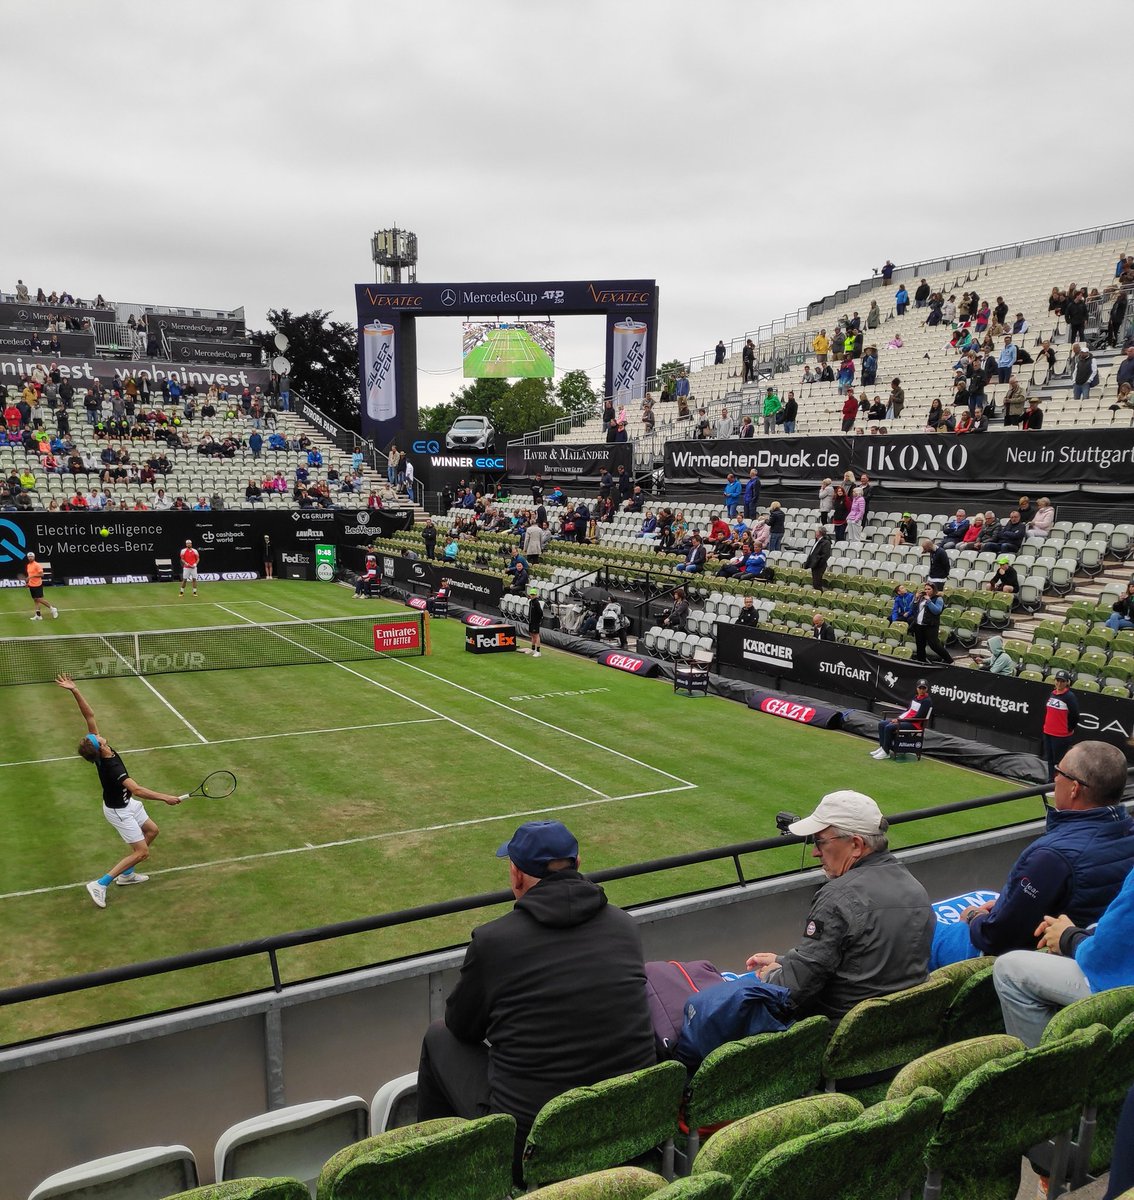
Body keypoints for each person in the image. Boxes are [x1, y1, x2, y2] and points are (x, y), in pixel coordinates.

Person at [416, 820, 656, 1170]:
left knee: (438, 1036)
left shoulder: (494, 942)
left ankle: (435, 1171)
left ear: (516, 875)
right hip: (630, 1124)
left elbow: (462, 1028)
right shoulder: (625, 926)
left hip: (532, 1143)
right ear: (578, 863)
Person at [746, 791, 933, 1020]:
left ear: (856, 845)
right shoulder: (915, 887)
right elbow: (857, 964)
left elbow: (793, 993)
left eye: (820, 842)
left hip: (841, 1037)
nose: (815, 852)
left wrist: (773, 975)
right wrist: (785, 962)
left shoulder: (838, 896)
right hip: (900, 1027)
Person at [56, 674, 184, 908]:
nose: (95, 733)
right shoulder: (112, 767)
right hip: (118, 810)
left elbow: (89, 715)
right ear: (100, 746)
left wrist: (74, 690)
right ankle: (100, 883)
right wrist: (166, 797)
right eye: (95, 737)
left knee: (152, 831)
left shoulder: (99, 750)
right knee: (142, 852)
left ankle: (127, 876)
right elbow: (137, 789)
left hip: (126, 804)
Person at [993, 846, 1134, 1049]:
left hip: (1124, 984)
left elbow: (1106, 957)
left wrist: (1068, 937)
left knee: (1009, 970)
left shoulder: (1051, 855)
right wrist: (1075, 933)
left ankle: (1044, 1075)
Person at [873, 679, 933, 759]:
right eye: (920, 688)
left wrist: (900, 721)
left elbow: (918, 717)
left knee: (889, 727)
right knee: (882, 724)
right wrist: (899, 718)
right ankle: (883, 747)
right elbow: (908, 711)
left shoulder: (927, 701)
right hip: (906, 720)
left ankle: (886, 752)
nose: (921, 690)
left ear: (927, 689)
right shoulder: (915, 697)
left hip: (915, 724)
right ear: (917, 688)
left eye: (924, 688)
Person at [1042, 670, 1079, 782]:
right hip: (1048, 732)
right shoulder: (1052, 694)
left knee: (1059, 762)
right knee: (1050, 759)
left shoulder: (1069, 697)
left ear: (1067, 683)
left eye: (1062, 681)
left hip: (1061, 736)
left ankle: (1058, 785)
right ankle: (1050, 782)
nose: (1059, 683)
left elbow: (1075, 715)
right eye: (1058, 680)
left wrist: (1068, 729)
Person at [911, 582, 951, 664]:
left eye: (929, 589)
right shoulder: (921, 598)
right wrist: (915, 599)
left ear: (933, 590)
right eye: (925, 589)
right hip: (919, 625)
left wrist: (929, 601)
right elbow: (912, 608)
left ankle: (949, 660)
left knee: (934, 645)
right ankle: (921, 662)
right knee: (920, 645)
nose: (927, 591)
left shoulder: (938, 599)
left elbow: (937, 611)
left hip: (930, 626)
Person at [24, 551, 58, 621]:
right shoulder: (28, 565)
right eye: (29, 557)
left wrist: (32, 576)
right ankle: (38, 615)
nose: (30, 558)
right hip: (31, 585)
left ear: (34, 557)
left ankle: (52, 609)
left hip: (37, 584)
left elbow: (42, 574)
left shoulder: (37, 565)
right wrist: (28, 583)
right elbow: (29, 575)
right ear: (27, 558)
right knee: (35, 600)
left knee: (39, 599)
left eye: (31, 556)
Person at [804, 526, 832, 592]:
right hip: (814, 564)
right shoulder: (818, 541)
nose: (815, 532)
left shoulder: (826, 542)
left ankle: (819, 595)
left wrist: (817, 562)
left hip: (819, 566)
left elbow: (825, 555)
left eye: (817, 531)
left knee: (817, 583)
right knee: (815, 582)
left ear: (819, 533)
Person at [527, 586, 543, 658]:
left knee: (536, 635)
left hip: (535, 622)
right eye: (531, 594)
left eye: (533, 595)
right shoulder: (530, 602)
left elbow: (540, 613)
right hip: (531, 621)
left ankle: (538, 651)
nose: (532, 596)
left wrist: (538, 620)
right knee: (532, 635)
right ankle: (533, 649)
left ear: (536, 595)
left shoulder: (536, 603)